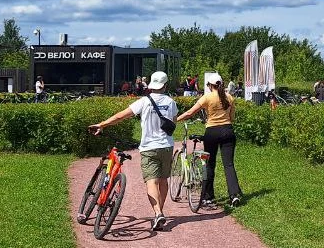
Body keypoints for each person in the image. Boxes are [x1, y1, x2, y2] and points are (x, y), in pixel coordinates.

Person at [87, 71, 176, 232]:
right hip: (167, 146)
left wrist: (103, 124)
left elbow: (122, 116)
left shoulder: (145, 101)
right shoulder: (172, 103)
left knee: (152, 181)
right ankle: (159, 212)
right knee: (163, 180)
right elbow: (173, 124)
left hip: (149, 147)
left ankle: (158, 213)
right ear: (165, 85)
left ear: (151, 85)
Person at [176, 71, 242, 207]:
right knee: (229, 165)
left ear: (210, 85)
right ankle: (234, 195)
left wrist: (175, 120)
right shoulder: (229, 97)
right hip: (228, 131)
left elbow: (190, 112)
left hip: (212, 131)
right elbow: (232, 118)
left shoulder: (207, 98)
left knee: (210, 164)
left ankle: (208, 197)